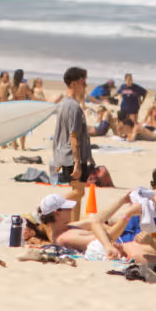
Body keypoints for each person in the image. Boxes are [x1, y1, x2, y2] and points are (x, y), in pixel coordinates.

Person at [52, 67, 95, 210]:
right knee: (78, 192)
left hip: (65, 154)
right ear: (75, 83)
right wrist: (77, 162)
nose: (86, 86)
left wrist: (57, 157)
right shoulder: (73, 106)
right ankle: (47, 205)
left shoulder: (63, 104)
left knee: (77, 194)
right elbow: (73, 136)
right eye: (84, 82)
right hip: (73, 156)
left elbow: (60, 133)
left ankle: (74, 224)